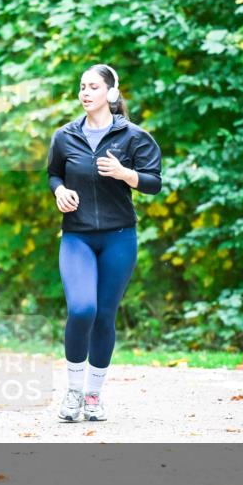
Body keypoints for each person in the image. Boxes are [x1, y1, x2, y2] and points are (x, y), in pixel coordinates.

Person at [46, 64, 162, 422]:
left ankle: (94, 396)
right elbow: (54, 173)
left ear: (110, 93)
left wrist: (126, 174)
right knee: (82, 309)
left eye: (93, 86)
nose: (85, 93)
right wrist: (60, 190)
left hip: (119, 238)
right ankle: (73, 392)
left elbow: (154, 182)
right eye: (81, 86)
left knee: (105, 315)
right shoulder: (64, 136)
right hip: (77, 237)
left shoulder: (134, 137)